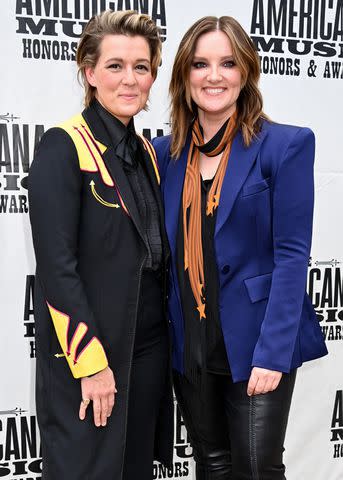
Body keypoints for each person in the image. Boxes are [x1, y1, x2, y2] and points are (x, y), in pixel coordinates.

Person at [152, 15, 328, 480]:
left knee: (256, 469)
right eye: (200, 64)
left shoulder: (284, 145)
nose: (214, 76)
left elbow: (292, 257)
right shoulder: (165, 154)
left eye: (228, 63)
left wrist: (273, 353)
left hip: (256, 341)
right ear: (183, 76)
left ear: (246, 71)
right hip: (192, 342)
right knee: (211, 466)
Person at [29, 10, 173, 480]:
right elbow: (56, 268)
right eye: (115, 66)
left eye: (141, 67)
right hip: (89, 356)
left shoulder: (148, 153)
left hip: (148, 349)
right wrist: (91, 364)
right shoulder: (62, 146)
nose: (130, 79)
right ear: (89, 73)